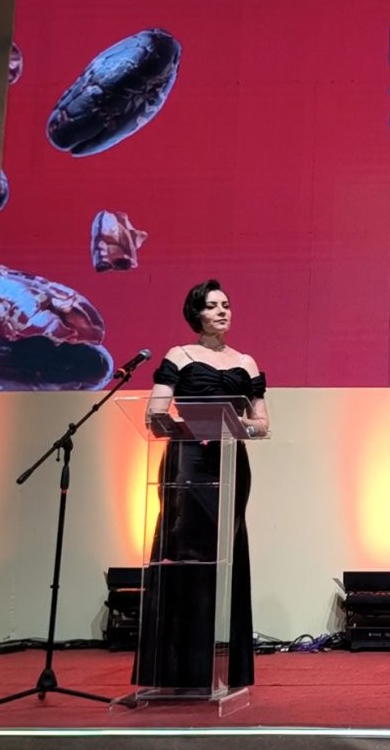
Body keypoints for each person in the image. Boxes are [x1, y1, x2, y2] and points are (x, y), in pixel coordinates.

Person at [133, 278, 269, 691]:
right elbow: (155, 415)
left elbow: (263, 424)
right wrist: (193, 425)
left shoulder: (246, 362)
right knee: (185, 552)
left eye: (226, 304)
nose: (222, 311)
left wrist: (239, 424)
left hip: (230, 462)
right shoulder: (179, 355)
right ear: (196, 314)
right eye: (212, 305)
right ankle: (178, 668)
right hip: (188, 461)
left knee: (227, 552)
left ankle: (225, 668)